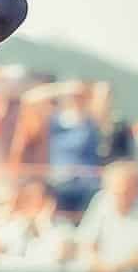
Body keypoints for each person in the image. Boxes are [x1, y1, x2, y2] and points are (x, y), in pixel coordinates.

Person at [9, 80, 109, 215]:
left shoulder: (91, 121)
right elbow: (29, 100)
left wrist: (86, 89)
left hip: (87, 185)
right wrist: (62, 88)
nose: (74, 99)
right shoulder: (54, 120)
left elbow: (104, 89)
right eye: (72, 97)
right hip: (58, 184)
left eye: (78, 96)